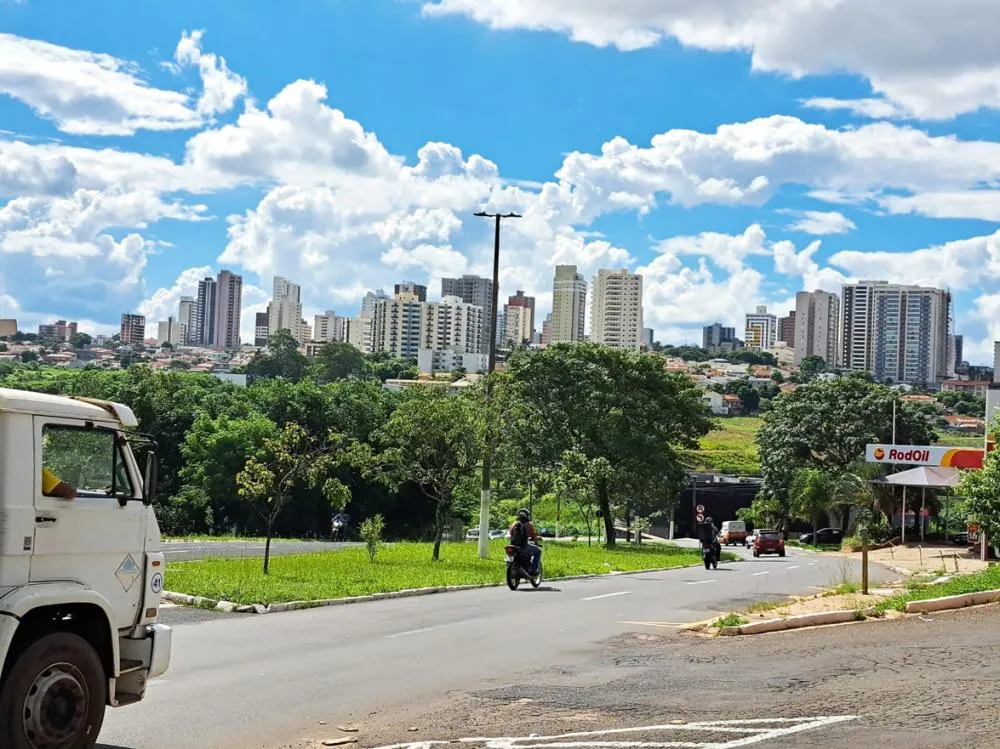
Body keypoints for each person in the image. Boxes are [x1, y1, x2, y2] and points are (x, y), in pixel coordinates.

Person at [508, 508, 541, 574]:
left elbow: (511, 533)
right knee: (538, 551)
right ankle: (534, 570)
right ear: (527, 516)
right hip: (524, 546)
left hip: (513, 545)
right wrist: (537, 538)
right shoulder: (528, 525)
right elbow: (533, 536)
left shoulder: (514, 524)